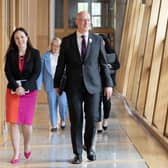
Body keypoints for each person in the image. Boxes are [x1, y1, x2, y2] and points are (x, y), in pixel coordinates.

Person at [54, 11, 113, 164]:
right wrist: (56, 84)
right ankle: (78, 153)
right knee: (76, 119)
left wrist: (108, 84)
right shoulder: (67, 42)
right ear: (77, 22)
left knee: (93, 118)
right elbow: (61, 65)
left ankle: (89, 146)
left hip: (94, 86)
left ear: (90, 22)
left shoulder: (98, 40)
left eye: (88, 20)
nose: (86, 23)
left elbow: (103, 63)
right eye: (82, 20)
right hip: (73, 87)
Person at [4, 27, 41, 164]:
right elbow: (8, 72)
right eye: (16, 38)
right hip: (13, 91)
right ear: (14, 41)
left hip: (29, 92)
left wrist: (24, 87)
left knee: (26, 123)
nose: (20, 40)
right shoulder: (11, 54)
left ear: (27, 37)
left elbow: (36, 73)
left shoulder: (35, 53)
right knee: (13, 122)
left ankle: (27, 144)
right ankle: (16, 153)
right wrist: (16, 87)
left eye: (22, 37)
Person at [39, 37, 68, 132]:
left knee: (63, 103)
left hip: (62, 84)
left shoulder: (64, 57)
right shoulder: (45, 57)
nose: (56, 47)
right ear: (51, 46)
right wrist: (39, 85)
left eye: (58, 46)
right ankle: (54, 124)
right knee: (52, 104)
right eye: (54, 45)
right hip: (50, 84)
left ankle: (63, 119)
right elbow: (40, 72)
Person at [97, 34, 120, 133]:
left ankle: (105, 120)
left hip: (107, 82)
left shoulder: (111, 52)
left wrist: (110, 66)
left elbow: (117, 65)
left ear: (105, 42)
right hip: (97, 82)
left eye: (102, 41)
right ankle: (98, 124)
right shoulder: (94, 51)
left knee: (107, 103)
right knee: (96, 103)